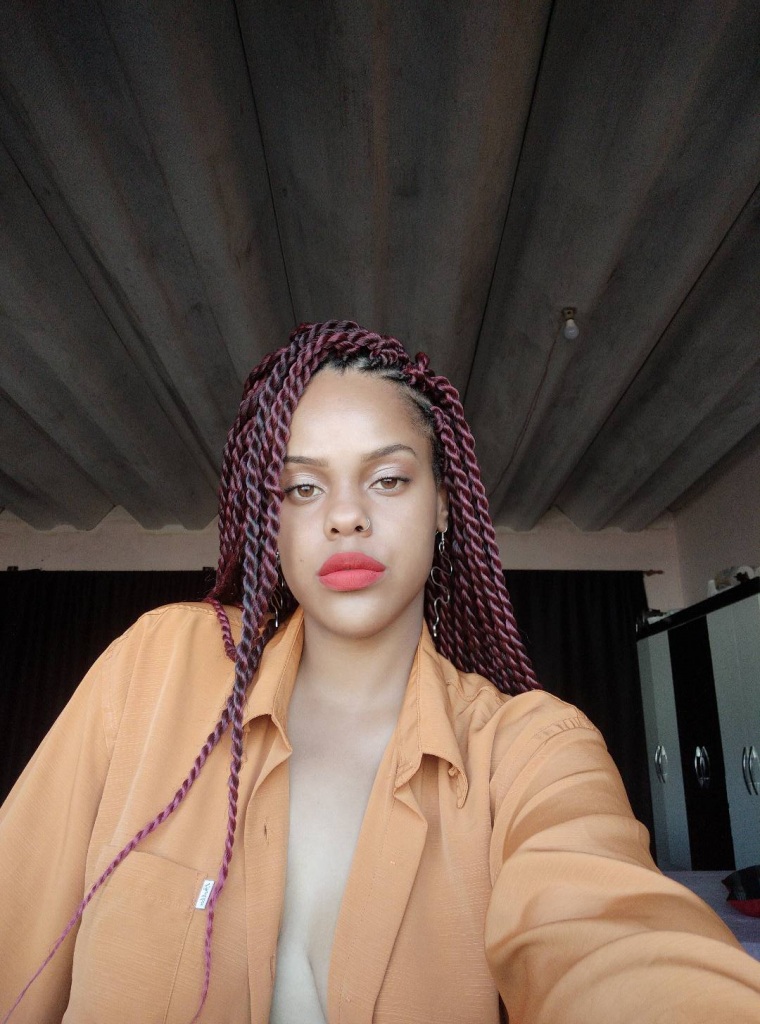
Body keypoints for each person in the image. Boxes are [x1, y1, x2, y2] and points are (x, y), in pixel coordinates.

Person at [1, 319, 759, 1024]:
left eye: (388, 479)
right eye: (303, 487)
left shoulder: (530, 750)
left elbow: (618, 945)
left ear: (444, 505)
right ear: (272, 518)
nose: (345, 516)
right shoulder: (157, 666)